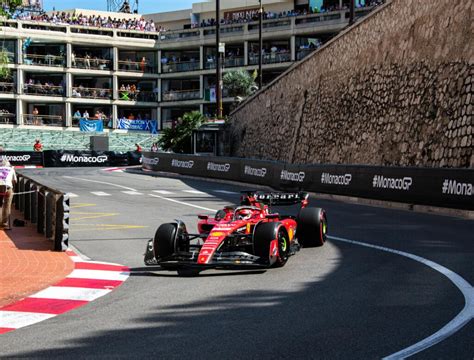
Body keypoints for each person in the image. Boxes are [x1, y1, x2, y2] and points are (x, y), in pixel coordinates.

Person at [0, 159, 17, 230]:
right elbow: (15, 181)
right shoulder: (11, 169)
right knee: (7, 205)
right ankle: (4, 223)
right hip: (8, 187)